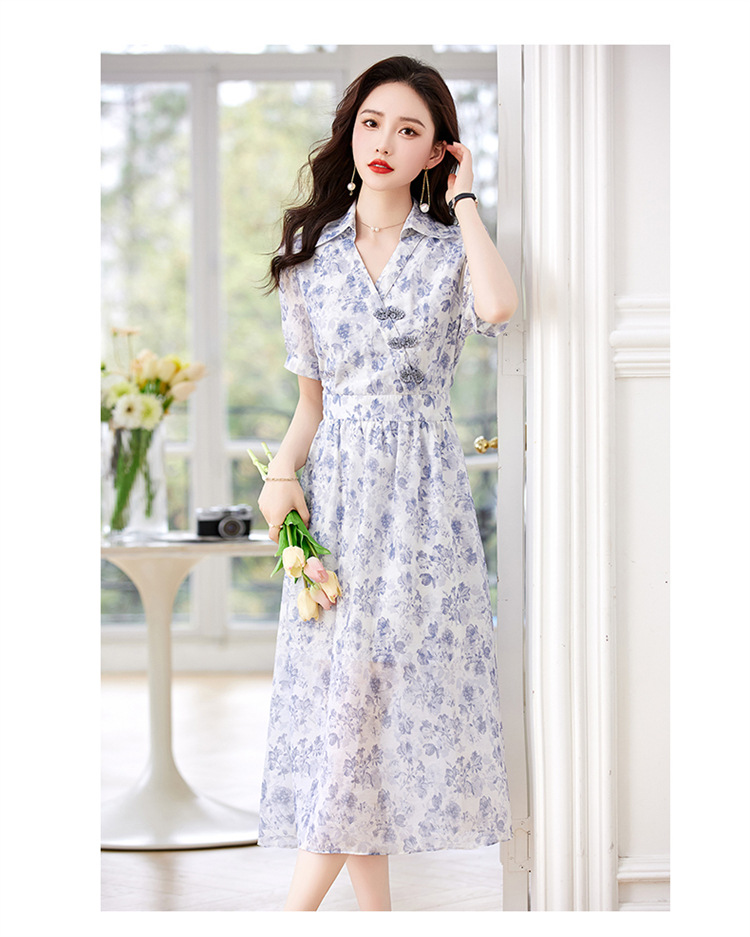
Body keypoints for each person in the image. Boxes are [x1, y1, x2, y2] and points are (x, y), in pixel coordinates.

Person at [256, 55, 517, 913]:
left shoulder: (448, 253)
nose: (385, 142)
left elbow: (499, 307)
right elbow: (311, 404)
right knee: (349, 706)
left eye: (410, 131)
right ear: (351, 129)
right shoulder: (309, 259)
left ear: (435, 151)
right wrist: (282, 477)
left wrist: (466, 199)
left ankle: (290, 917)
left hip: (421, 506)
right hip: (337, 502)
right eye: (373, 122)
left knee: (371, 706)